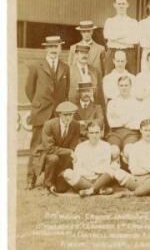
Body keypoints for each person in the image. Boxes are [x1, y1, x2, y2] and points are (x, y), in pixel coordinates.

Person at [25, 35, 70, 187]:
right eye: (50, 47)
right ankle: (31, 179)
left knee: (54, 148)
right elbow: (29, 90)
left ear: (60, 48)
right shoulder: (36, 66)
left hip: (57, 114)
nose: (53, 50)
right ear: (46, 48)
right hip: (41, 112)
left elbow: (66, 92)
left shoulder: (65, 67)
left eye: (56, 46)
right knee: (37, 146)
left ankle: (51, 179)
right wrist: (39, 105)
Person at [30, 102, 80, 193]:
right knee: (53, 158)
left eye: (71, 115)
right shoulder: (49, 124)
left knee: (61, 189)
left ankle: (58, 179)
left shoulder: (76, 125)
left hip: (64, 156)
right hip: (47, 154)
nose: (68, 118)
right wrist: (69, 151)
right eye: (65, 115)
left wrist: (70, 152)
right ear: (60, 114)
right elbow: (49, 148)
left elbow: (73, 145)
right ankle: (47, 184)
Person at [63, 122, 118, 197]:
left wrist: (95, 173)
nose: (94, 135)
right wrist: (88, 174)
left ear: (101, 133)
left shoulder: (106, 146)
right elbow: (77, 167)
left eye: (96, 132)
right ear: (87, 134)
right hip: (84, 178)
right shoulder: (80, 147)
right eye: (91, 133)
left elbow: (106, 166)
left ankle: (90, 190)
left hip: (100, 178)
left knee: (114, 166)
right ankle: (99, 190)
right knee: (67, 173)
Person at [106, 75, 141, 163]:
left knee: (129, 152)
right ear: (118, 87)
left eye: (126, 85)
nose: (124, 88)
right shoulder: (112, 103)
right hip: (115, 133)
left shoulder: (137, 103)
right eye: (121, 85)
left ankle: (131, 173)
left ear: (130, 86)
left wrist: (119, 118)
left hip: (131, 133)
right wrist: (129, 117)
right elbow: (112, 124)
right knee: (113, 152)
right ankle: (115, 173)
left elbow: (137, 125)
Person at [103, 0, 140, 75]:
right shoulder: (109, 21)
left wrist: (115, 37)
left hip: (128, 52)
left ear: (127, 5)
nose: (121, 6)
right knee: (109, 76)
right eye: (119, 4)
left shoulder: (133, 22)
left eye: (123, 4)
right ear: (115, 5)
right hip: (112, 51)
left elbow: (135, 39)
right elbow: (108, 35)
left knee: (130, 77)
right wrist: (126, 36)